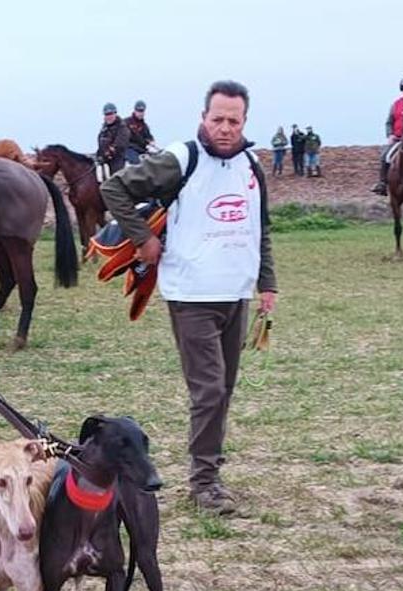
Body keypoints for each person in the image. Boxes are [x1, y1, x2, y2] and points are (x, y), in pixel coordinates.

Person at [100, 80, 278, 515]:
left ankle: (209, 470)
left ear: (244, 122)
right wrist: (143, 239)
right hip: (192, 294)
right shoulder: (182, 158)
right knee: (209, 390)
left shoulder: (252, 165)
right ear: (203, 117)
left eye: (232, 120)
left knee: (225, 389)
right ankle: (204, 483)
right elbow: (114, 189)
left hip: (236, 294)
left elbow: (262, 227)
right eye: (216, 119)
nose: (224, 127)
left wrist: (266, 283)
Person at [96, 102, 130, 175]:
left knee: (115, 177)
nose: (109, 116)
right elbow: (101, 145)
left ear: (115, 114)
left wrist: (107, 155)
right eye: (107, 114)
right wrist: (98, 155)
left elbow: (119, 146)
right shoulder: (104, 129)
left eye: (111, 114)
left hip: (118, 160)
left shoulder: (122, 128)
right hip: (104, 159)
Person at [124, 99, 156, 165]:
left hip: (142, 150)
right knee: (136, 163)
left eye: (142, 111)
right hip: (130, 149)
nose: (140, 113)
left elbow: (149, 137)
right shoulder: (126, 122)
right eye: (139, 111)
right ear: (135, 110)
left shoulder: (144, 126)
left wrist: (151, 142)